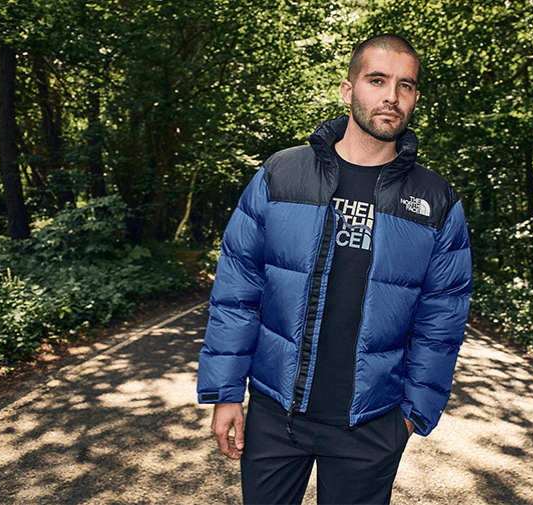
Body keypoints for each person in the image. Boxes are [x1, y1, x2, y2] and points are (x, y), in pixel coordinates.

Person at [197, 33, 472, 505]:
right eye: (377, 80)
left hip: (372, 424)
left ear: (416, 98)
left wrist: (412, 415)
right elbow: (237, 291)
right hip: (274, 413)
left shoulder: (436, 201)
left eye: (405, 86)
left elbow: (442, 317)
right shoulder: (281, 175)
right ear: (348, 90)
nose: (391, 95)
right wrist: (226, 393)